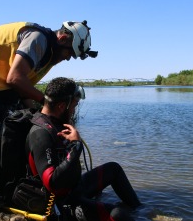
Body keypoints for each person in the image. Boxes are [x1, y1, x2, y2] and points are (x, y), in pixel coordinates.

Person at [0, 21, 98, 209]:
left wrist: (40, 115)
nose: (68, 58)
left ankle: (2, 174)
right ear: (62, 38)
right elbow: (15, 79)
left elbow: (23, 90)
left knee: (17, 118)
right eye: (70, 53)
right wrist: (48, 103)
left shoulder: (49, 55)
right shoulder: (39, 40)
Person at [26, 77, 141, 221]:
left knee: (114, 169)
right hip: (63, 202)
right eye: (74, 105)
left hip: (75, 187)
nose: (74, 110)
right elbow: (52, 183)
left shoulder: (56, 122)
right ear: (62, 106)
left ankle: (141, 210)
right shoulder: (40, 133)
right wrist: (76, 146)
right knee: (118, 214)